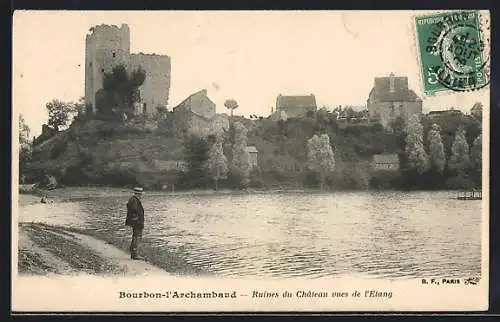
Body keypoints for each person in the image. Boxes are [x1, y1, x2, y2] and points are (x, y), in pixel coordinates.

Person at [125, 187, 145, 260]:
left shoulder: (133, 199)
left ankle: (134, 252)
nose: (141, 196)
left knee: (136, 237)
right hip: (137, 222)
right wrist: (137, 220)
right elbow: (134, 211)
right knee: (137, 237)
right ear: (138, 194)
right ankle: (134, 254)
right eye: (140, 194)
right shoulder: (134, 200)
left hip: (135, 222)